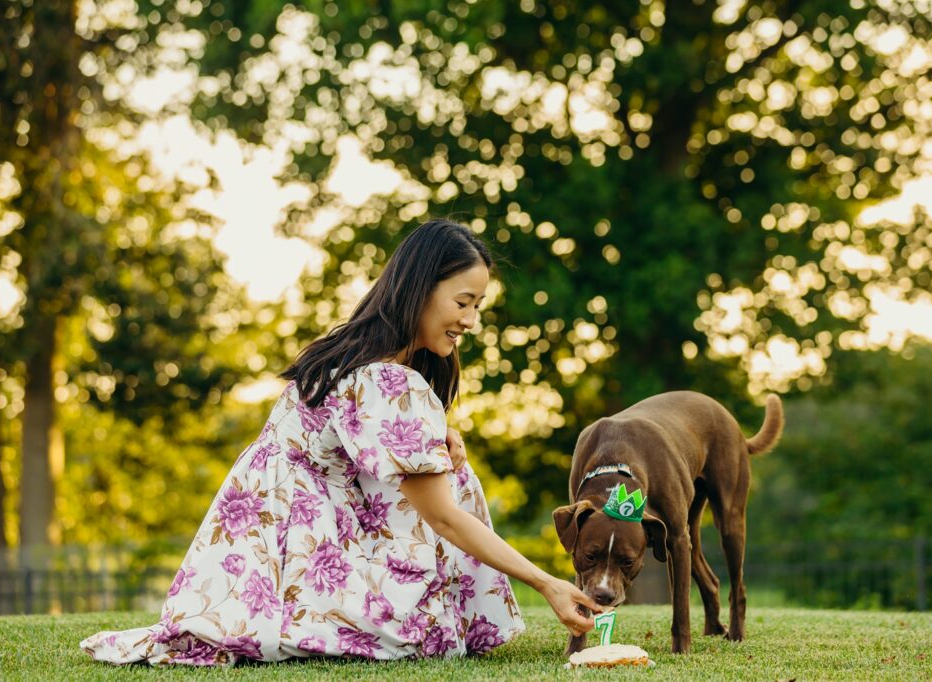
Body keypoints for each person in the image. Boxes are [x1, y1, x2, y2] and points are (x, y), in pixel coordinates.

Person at [81, 219, 599, 666]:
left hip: (262, 543)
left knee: (449, 471)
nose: (470, 319)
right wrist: (547, 583)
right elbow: (441, 515)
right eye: (463, 302)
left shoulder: (344, 354)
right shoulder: (392, 382)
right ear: (421, 289)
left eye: (478, 305)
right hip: (294, 542)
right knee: (452, 488)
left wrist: (442, 435)